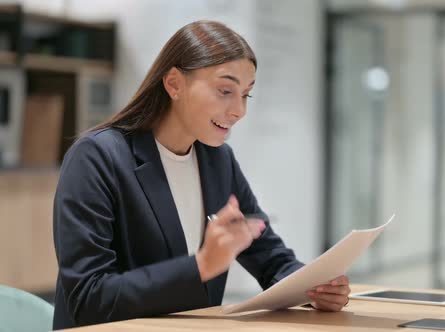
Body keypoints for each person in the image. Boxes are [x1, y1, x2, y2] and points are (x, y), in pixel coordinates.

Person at [52, 20, 350, 329]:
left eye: (246, 94)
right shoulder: (97, 157)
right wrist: (202, 266)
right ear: (174, 84)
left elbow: (269, 255)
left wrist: (313, 287)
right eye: (225, 90)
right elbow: (88, 300)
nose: (239, 110)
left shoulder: (217, 160)